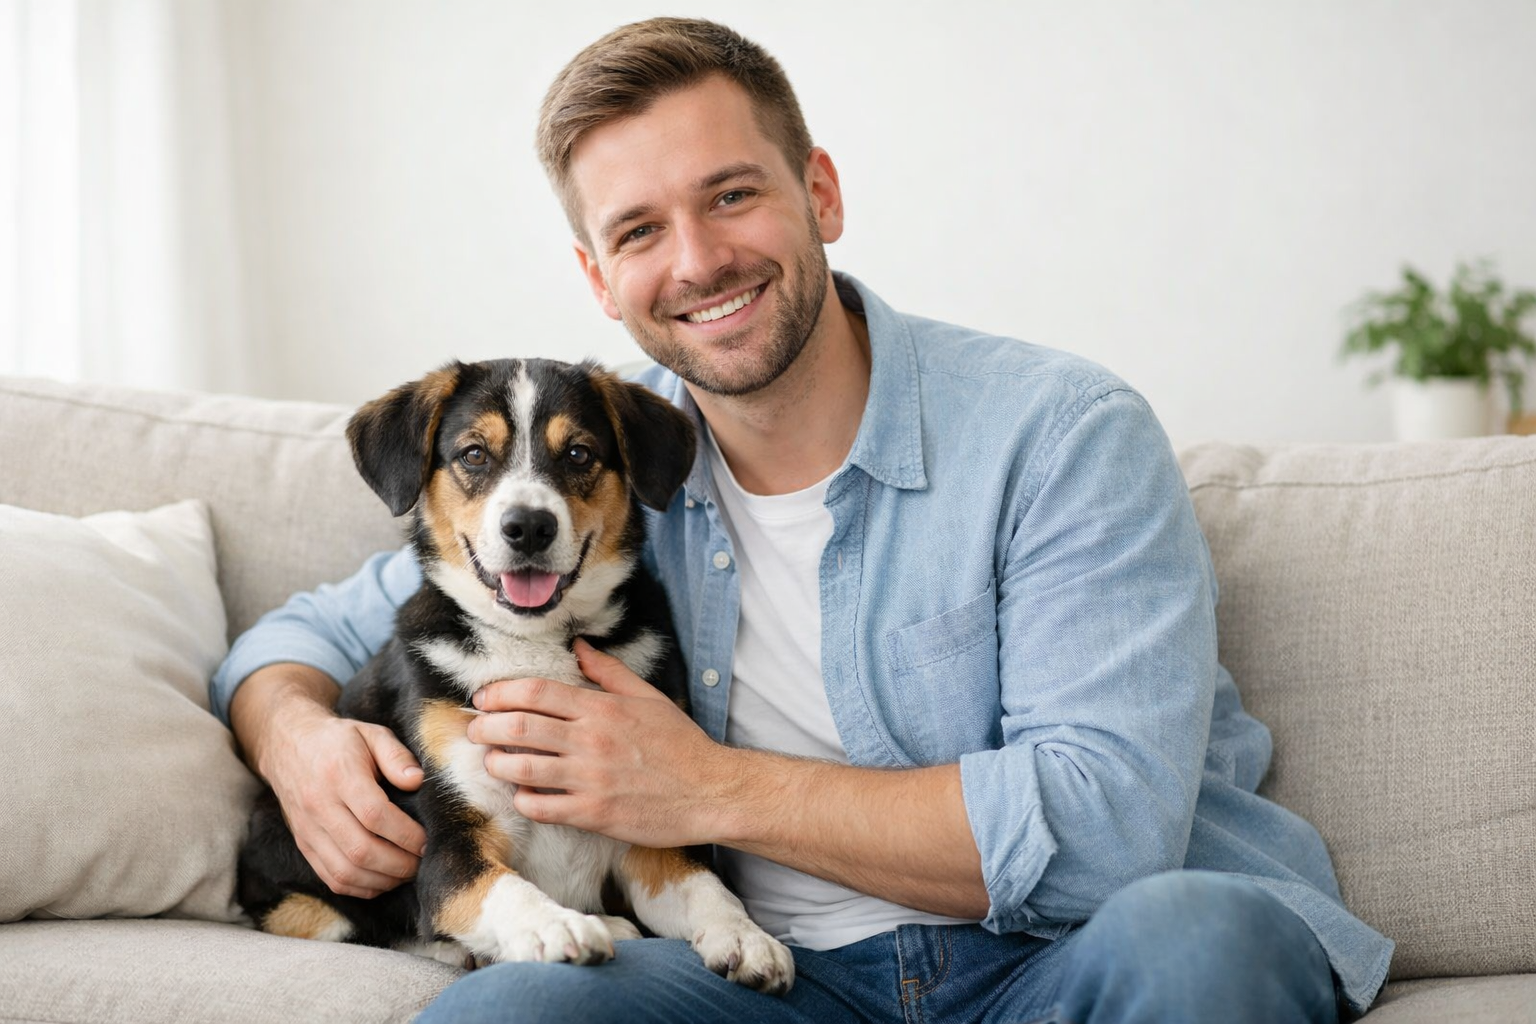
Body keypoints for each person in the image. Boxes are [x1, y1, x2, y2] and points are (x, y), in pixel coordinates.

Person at [212, 17, 1391, 1023]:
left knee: (1203, 941)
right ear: (597, 278)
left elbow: (1105, 828)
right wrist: (300, 743)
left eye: (732, 194)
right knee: (516, 1006)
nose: (699, 259)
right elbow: (302, 640)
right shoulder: (608, 460)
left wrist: (708, 786)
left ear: (818, 191)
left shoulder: (1062, 434)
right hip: (767, 987)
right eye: (638, 231)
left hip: (1059, 961)